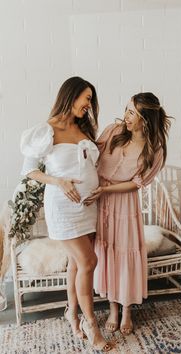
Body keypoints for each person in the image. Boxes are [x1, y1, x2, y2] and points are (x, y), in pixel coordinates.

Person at [20, 77, 112, 352]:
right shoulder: (47, 131)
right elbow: (29, 170)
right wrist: (58, 181)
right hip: (62, 206)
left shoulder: (84, 128)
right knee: (88, 261)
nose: (89, 104)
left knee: (76, 265)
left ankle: (72, 313)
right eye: (86, 98)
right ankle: (90, 323)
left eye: (91, 99)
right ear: (70, 96)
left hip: (88, 207)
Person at [84, 92, 171, 335]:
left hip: (124, 204)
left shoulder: (155, 149)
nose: (126, 116)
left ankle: (127, 310)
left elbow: (137, 183)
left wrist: (106, 189)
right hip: (101, 203)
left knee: (124, 255)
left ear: (146, 118)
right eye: (126, 109)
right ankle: (113, 308)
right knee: (108, 253)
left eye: (132, 112)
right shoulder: (113, 131)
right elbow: (90, 154)